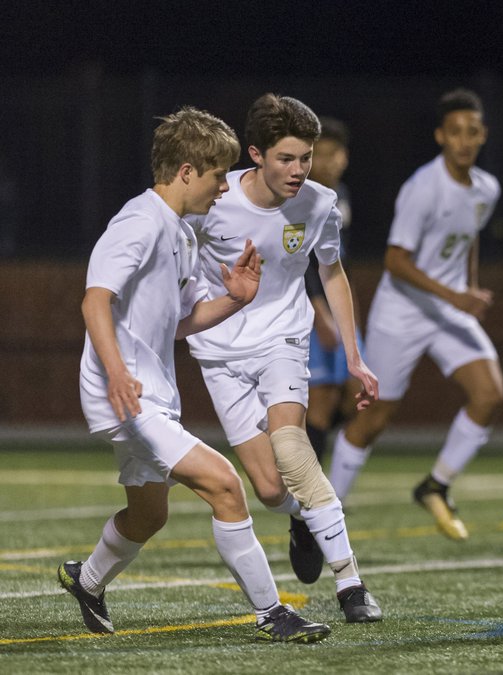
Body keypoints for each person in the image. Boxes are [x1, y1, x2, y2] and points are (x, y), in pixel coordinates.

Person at [62, 107, 330, 643]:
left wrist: (235, 299)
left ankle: (86, 580)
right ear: (186, 171)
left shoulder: (182, 234)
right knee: (225, 485)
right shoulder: (139, 222)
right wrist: (116, 374)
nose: (224, 189)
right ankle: (272, 614)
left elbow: (181, 323)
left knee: (149, 516)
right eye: (217, 176)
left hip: (149, 394)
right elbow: (94, 300)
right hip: (126, 397)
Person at [185, 94, 382, 622]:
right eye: (286, 159)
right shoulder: (213, 201)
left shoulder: (319, 203)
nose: (299, 171)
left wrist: (356, 356)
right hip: (220, 355)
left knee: (293, 448)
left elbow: (332, 272)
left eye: (306, 158)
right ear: (255, 155)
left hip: (284, 341)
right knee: (272, 490)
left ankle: (351, 584)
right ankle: (301, 517)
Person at [330, 88, 503, 541]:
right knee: (373, 420)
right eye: (455, 132)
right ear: (440, 137)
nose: (464, 141)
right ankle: (326, 512)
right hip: (402, 313)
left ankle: (436, 485)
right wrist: (454, 296)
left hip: (448, 311)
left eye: (472, 132)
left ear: (482, 135)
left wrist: (468, 288)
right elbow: (395, 261)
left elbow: (468, 237)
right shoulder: (423, 188)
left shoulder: (487, 188)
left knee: (489, 394)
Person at [301, 118, 365, 478]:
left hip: (337, 308)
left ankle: (320, 484)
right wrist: (320, 313)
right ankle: (309, 489)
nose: (327, 162)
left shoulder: (341, 194)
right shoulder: (303, 197)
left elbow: (341, 259)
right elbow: (304, 261)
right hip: (314, 310)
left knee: (357, 397)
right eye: (319, 154)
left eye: (333, 153)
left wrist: (351, 312)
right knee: (321, 399)